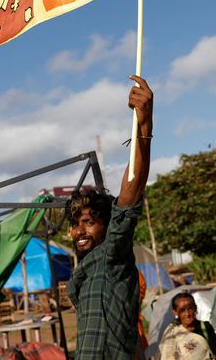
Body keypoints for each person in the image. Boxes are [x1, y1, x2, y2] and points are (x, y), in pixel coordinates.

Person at [65, 75, 153, 360]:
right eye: (75, 224)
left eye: (89, 222)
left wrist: (144, 126)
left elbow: (128, 197)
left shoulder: (112, 254)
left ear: (106, 225)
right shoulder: (83, 274)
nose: (79, 231)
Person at [158, 293, 216, 360]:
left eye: (190, 309)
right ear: (175, 312)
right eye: (182, 310)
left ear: (195, 308)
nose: (187, 314)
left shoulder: (205, 327)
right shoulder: (172, 333)